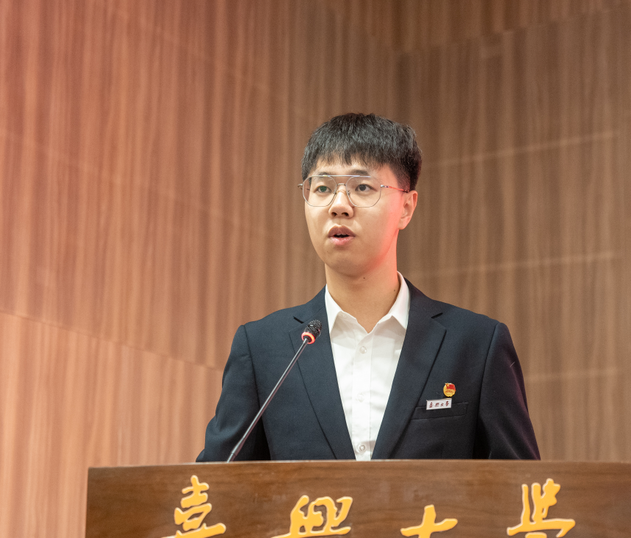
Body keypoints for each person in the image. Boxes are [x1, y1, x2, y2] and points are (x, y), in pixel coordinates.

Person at [197, 113, 539, 461]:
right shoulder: (263, 350)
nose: (339, 206)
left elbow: (521, 486)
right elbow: (211, 484)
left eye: (362, 187)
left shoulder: (476, 345)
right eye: (322, 188)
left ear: (406, 207)